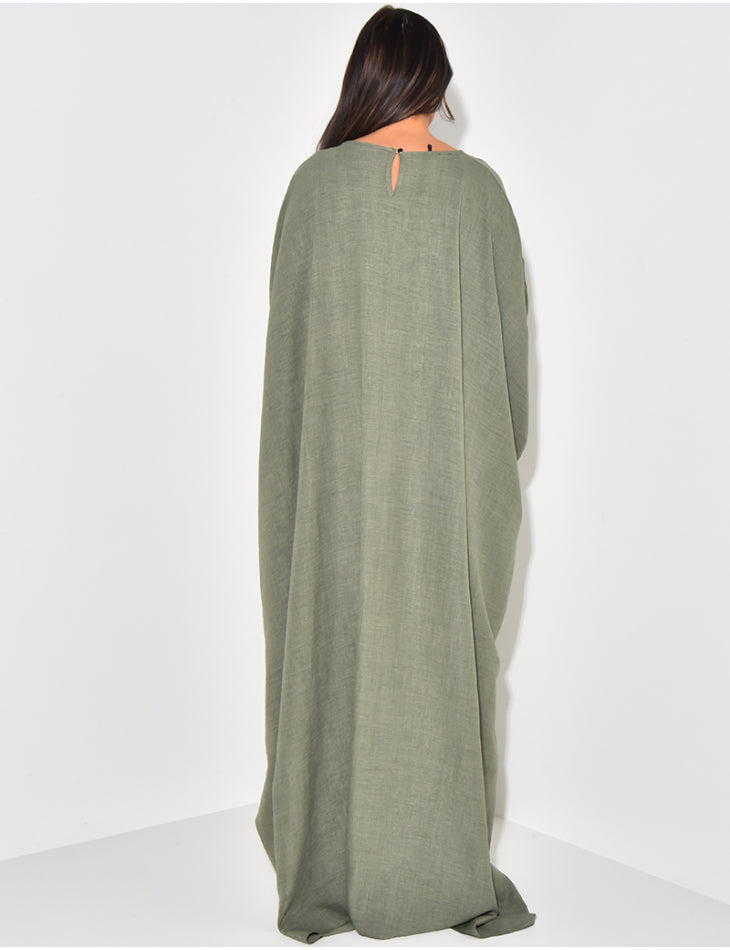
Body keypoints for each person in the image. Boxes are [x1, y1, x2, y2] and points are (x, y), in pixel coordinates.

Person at [255, 4, 535, 943]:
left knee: (328, 641)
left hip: (329, 490)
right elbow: (509, 376)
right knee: (439, 655)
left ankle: (325, 867)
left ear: (364, 79)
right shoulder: (481, 195)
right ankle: (436, 865)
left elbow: (288, 369)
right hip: (449, 488)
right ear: (437, 84)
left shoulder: (311, 190)